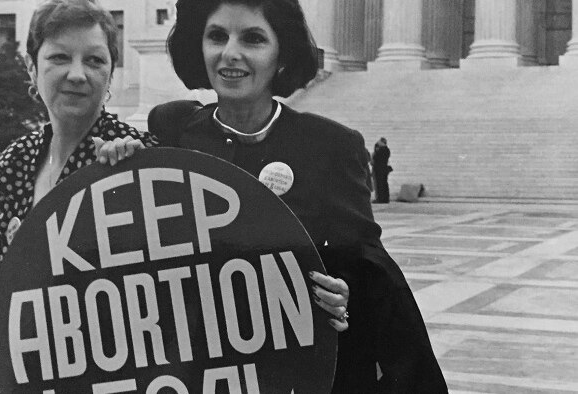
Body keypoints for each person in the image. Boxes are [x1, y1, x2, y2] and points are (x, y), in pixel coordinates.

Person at [97, 0, 447, 391]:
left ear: (282, 54)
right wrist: (122, 158)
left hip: (290, 370)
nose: (231, 53)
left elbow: (364, 262)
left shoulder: (331, 146)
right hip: (201, 371)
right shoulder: (174, 127)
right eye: (217, 36)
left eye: (253, 39)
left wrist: (344, 291)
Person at [0, 1, 157, 393]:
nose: (77, 74)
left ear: (110, 74)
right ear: (32, 69)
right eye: (59, 57)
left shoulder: (137, 158)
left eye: (95, 60)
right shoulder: (9, 168)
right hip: (22, 371)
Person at [372, 137, 391, 203]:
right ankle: (385, 198)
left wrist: (376, 148)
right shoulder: (387, 150)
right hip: (384, 169)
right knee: (384, 184)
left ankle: (380, 198)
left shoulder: (381, 150)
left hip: (379, 169)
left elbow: (375, 158)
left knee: (379, 184)